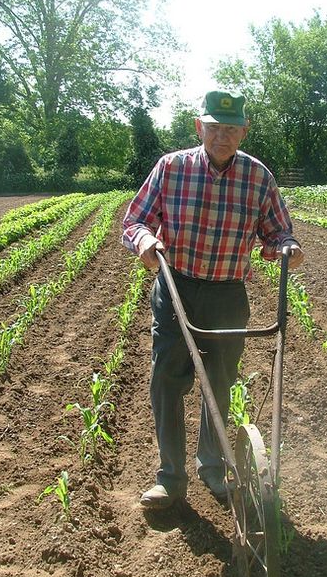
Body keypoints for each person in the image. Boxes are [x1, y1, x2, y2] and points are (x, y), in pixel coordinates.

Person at [122, 90, 304, 509]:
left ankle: (212, 467)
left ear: (243, 131)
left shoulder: (258, 177)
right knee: (167, 379)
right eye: (214, 128)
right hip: (177, 287)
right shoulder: (171, 168)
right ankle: (170, 478)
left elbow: (278, 232)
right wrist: (146, 239)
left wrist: (287, 248)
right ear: (198, 127)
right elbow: (135, 220)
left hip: (227, 294)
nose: (222, 136)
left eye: (231, 129)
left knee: (219, 383)